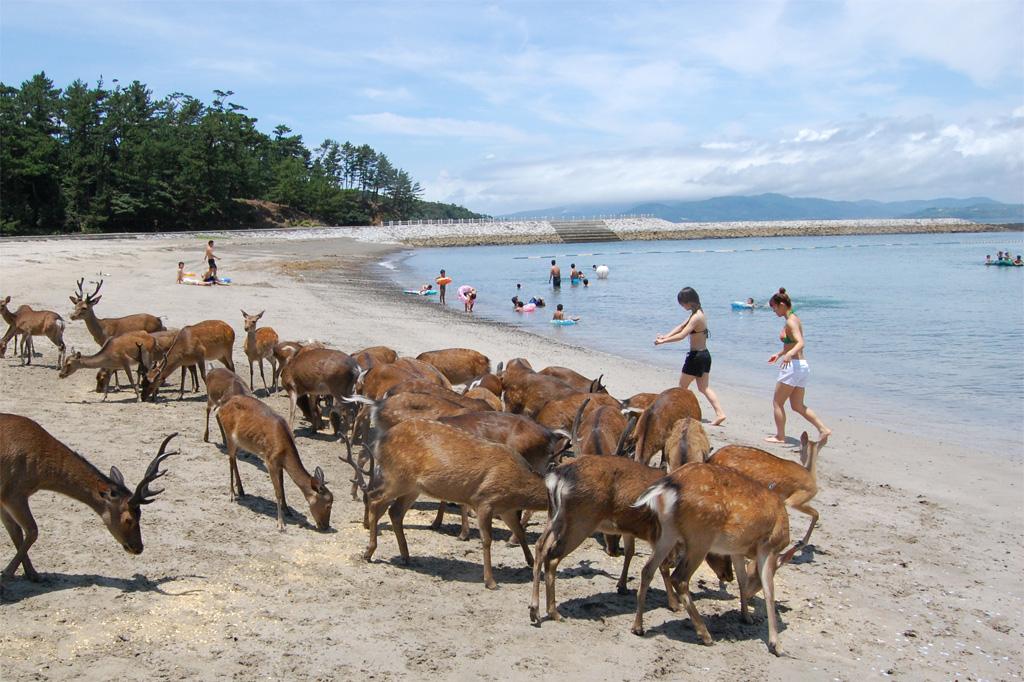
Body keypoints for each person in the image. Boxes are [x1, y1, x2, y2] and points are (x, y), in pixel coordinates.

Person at [765, 287, 830, 444]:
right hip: (801, 366)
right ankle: (823, 429)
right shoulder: (795, 318)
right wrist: (780, 354)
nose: (773, 311)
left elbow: (801, 343)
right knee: (797, 405)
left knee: (777, 402)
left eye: (774, 307)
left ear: (781, 304)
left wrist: (787, 355)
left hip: (793, 366)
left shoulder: (790, 321)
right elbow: (793, 343)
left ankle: (780, 436)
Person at [654, 287, 727, 426]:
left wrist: (663, 342)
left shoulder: (696, 317)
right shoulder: (698, 313)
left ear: (690, 302)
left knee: (682, 387)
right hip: (705, 355)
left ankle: (684, 413)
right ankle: (720, 413)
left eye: (682, 303)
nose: (682, 306)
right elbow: (681, 326)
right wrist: (665, 335)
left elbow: (682, 335)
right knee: (704, 387)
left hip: (696, 357)